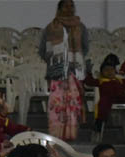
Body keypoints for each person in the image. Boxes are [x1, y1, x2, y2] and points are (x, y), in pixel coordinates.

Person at [39, 0, 87, 140]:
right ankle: (56, 137)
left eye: (72, 6)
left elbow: (85, 47)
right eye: (66, 6)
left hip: (74, 72)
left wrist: (73, 58)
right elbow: (43, 50)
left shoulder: (80, 27)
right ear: (59, 9)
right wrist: (57, 61)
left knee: (73, 104)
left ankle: (71, 135)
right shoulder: (50, 28)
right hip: (57, 73)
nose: (69, 8)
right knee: (57, 104)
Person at [83, 55, 125, 133]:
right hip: (108, 98)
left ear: (115, 71)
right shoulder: (100, 81)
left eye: (112, 69)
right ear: (102, 72)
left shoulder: (119, 80)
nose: (109, 72)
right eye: (106, 70)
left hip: (121, 97)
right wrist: (88, 72)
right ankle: (99, 123)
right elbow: (89, 81)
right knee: (102, 103)